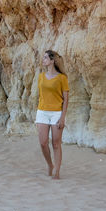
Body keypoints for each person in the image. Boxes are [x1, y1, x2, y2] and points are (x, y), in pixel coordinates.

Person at [35, 49, 68, 179]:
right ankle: (50, 164)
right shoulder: (41, 76)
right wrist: (37, 114)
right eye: (43, 58)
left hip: (56, 113)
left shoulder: (62, 78)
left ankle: (57, 172)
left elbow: (66, 99)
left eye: (45, 58)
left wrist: (62, 117)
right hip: (42, 111)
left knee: (56, 143)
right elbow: (40, 96)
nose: (43, 60)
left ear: (52, 60)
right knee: (43, 143)